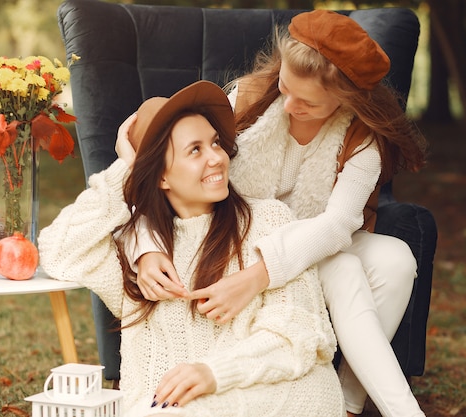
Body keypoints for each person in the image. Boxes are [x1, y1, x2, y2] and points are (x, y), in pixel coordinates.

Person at [126, 10, 428, 417]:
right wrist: (144, 243)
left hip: (308, 242)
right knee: (346, 272)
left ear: (346, 98)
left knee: (396, 260)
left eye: (307, 102)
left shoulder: (362, 137)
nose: (289, 105)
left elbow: (337, 225)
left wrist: (258, 277)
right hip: (238, 234)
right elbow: (143, 142)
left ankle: (348, 402)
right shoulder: (248, 97)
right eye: (286, 87)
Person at [38, 80, 345, 416]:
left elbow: (298, 333)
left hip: (282, 394)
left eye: (215, 143)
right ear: (161, 177)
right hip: (175, 407)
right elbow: (58, 250)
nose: (216, 158)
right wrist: (127, 169)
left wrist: (214, 373)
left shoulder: (269, 219)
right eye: (195, 150)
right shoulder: (138, 254)